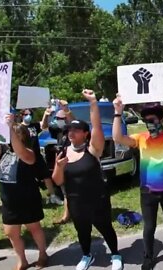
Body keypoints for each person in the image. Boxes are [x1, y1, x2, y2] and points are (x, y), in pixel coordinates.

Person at [112, 94, 163, 269]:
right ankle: (148, 256)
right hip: (147, 191)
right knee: (149, 226)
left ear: (160, 119)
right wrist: (118, 112)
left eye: (152, 119)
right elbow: (118, 138)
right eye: (146, 120)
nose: (149, 123)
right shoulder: (141, 138)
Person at [52, 90, 123, 270]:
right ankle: (86, 255)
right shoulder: (63, 152)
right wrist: (59, 167)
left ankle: (115, 254)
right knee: (82, 231)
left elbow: (97, 128)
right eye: (70, 130)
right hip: (76, 202)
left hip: (97, 199)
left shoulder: (93, 150)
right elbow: (57, 180)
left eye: (76, 130)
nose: (71, 133)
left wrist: (93, 103)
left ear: (85, 134)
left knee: (106, 228)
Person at [0, 115, 48, 270]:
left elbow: (22, 154)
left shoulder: (29, 152)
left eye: (16, 134)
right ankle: (21, 260)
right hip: (9, 202)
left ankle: (43, 254)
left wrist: (9, 128)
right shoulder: (2, 150)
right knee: (11, 233)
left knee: (34, 228)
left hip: (27, 199)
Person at [20, 109, 63, 205]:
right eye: (26, 114)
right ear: (21, 115)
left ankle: (52, 196)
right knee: (28, 177)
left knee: (46, 175)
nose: (28, 116)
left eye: (30, 114)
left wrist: (46, 114)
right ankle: (31, 197)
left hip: (37, 155)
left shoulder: (34, 126)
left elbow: (43, 126)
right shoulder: (19, 128)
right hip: (26, 156)